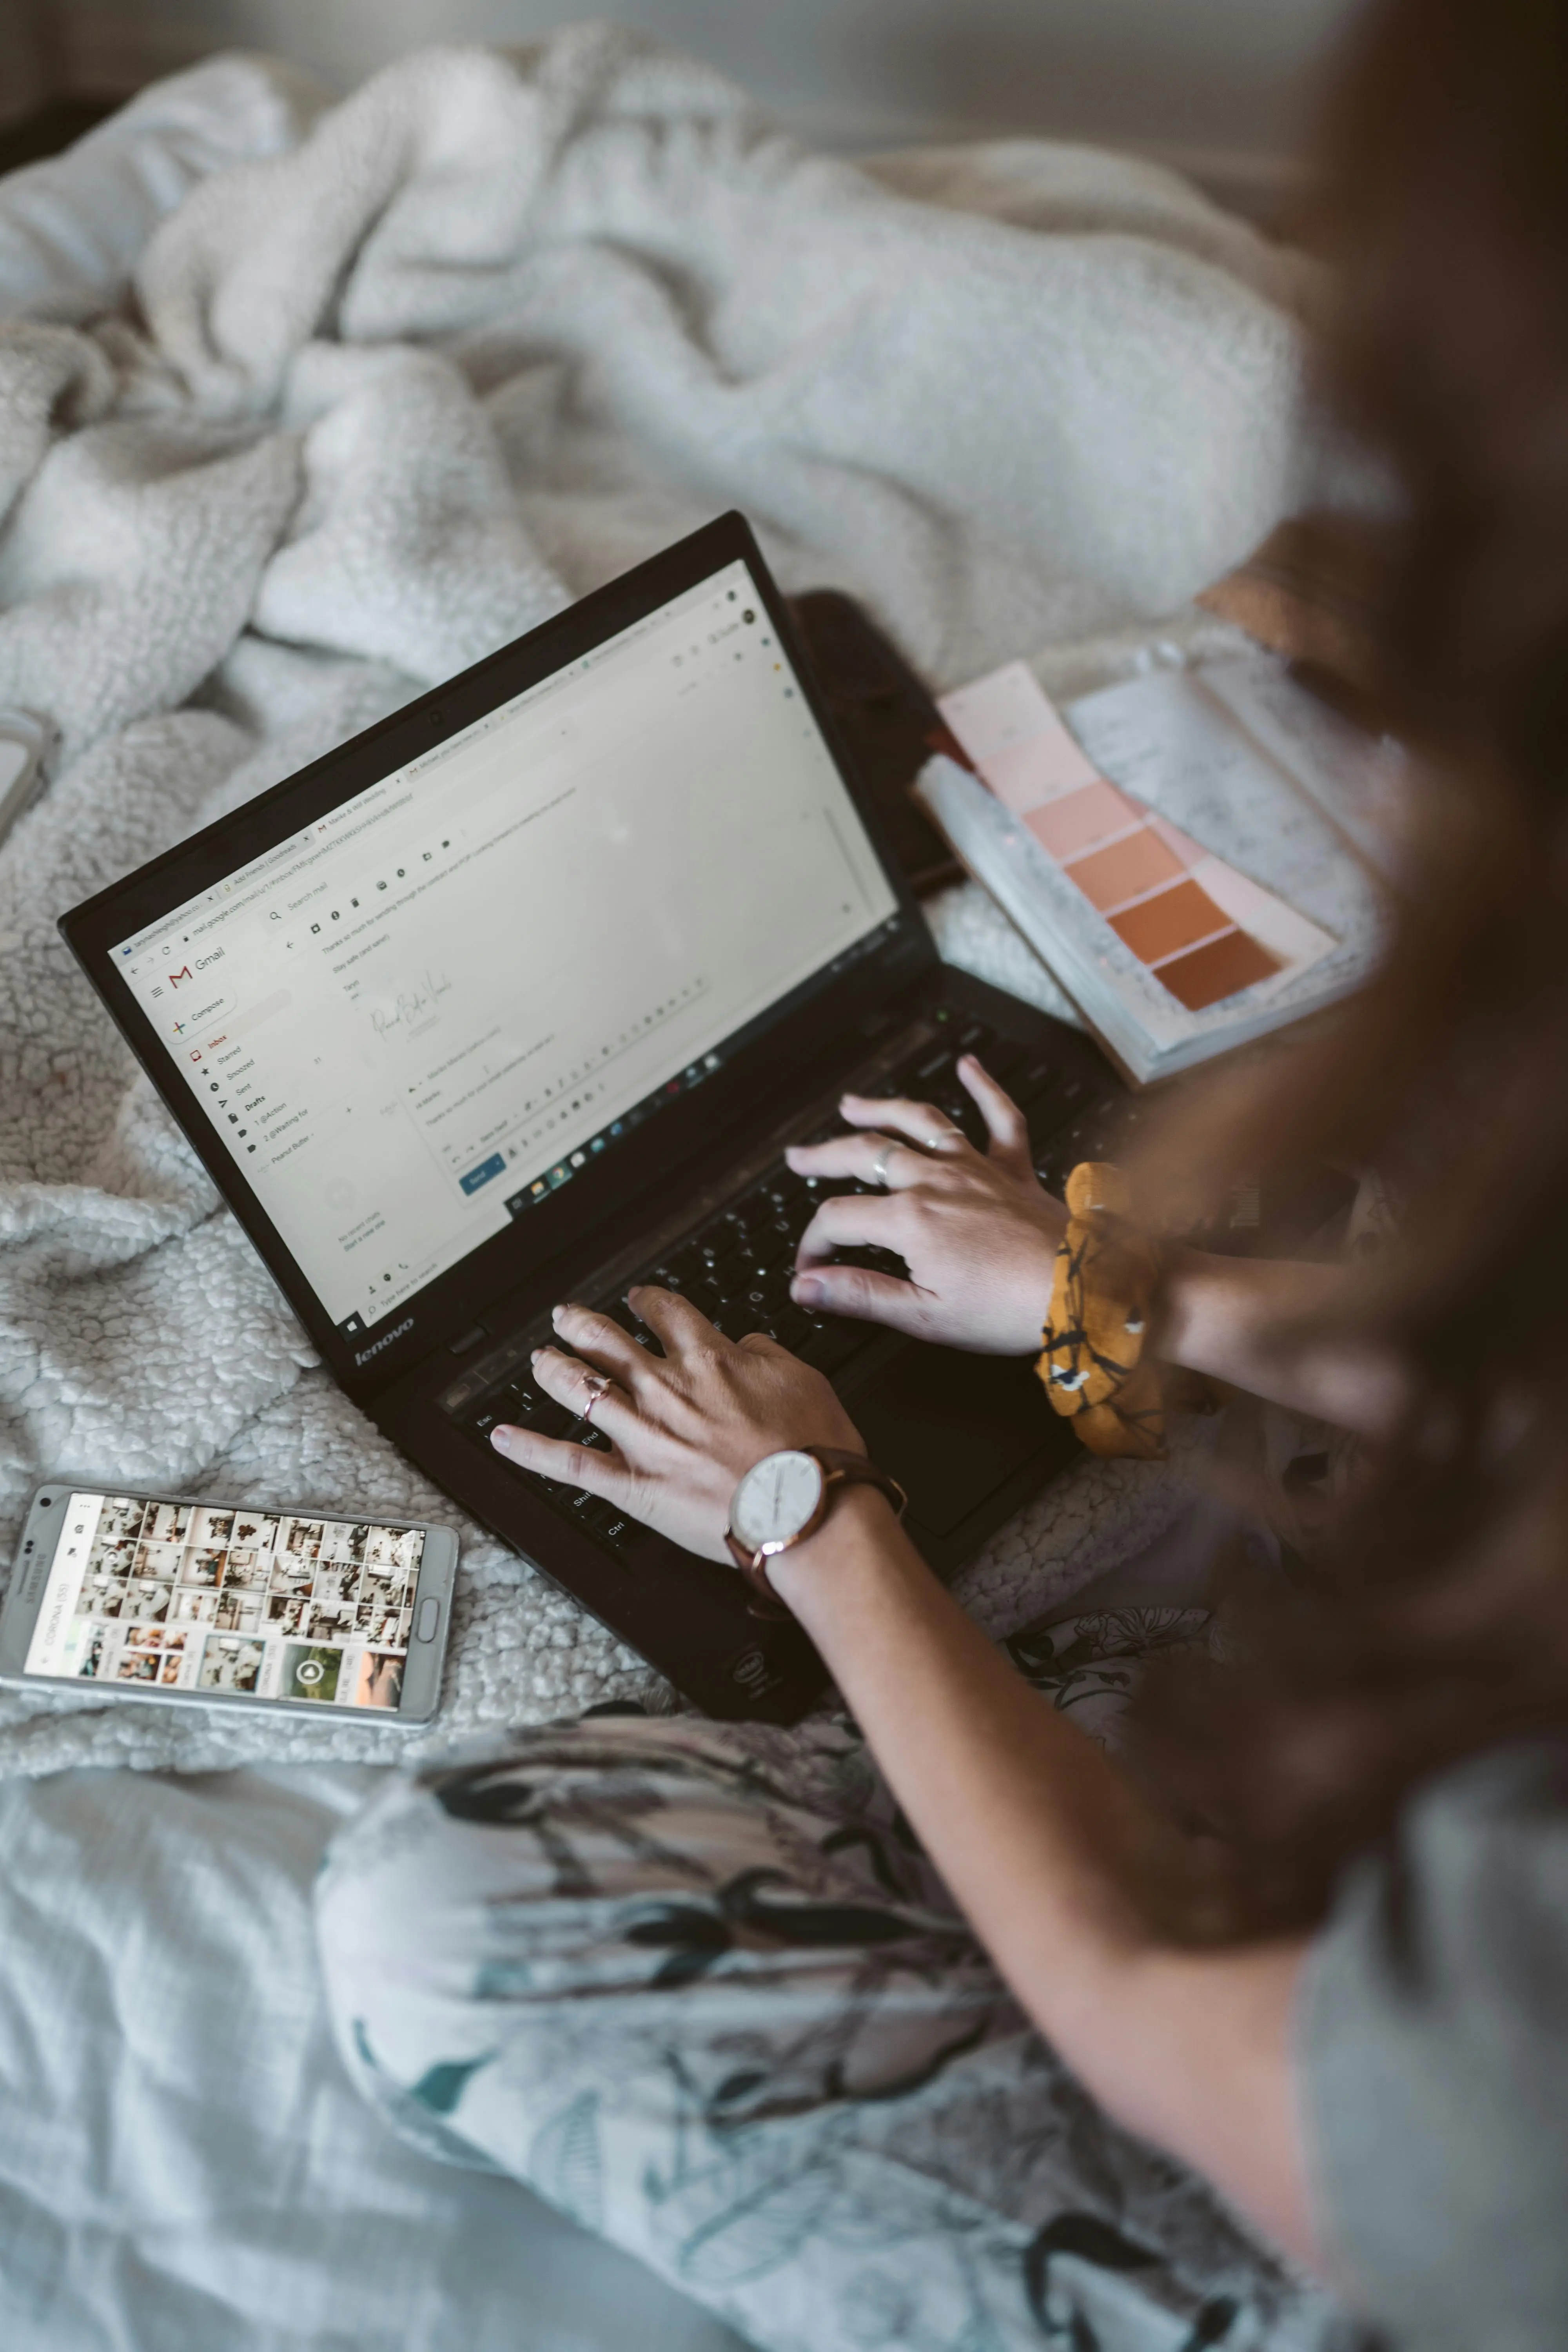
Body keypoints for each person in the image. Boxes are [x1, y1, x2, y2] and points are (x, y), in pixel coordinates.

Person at [314, 3, 1568, 2345]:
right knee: (1270, 1230)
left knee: (442, 1904)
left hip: (1388, 2224)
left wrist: (828, 1528)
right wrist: (1125, 1303)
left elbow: (1202, 2042)